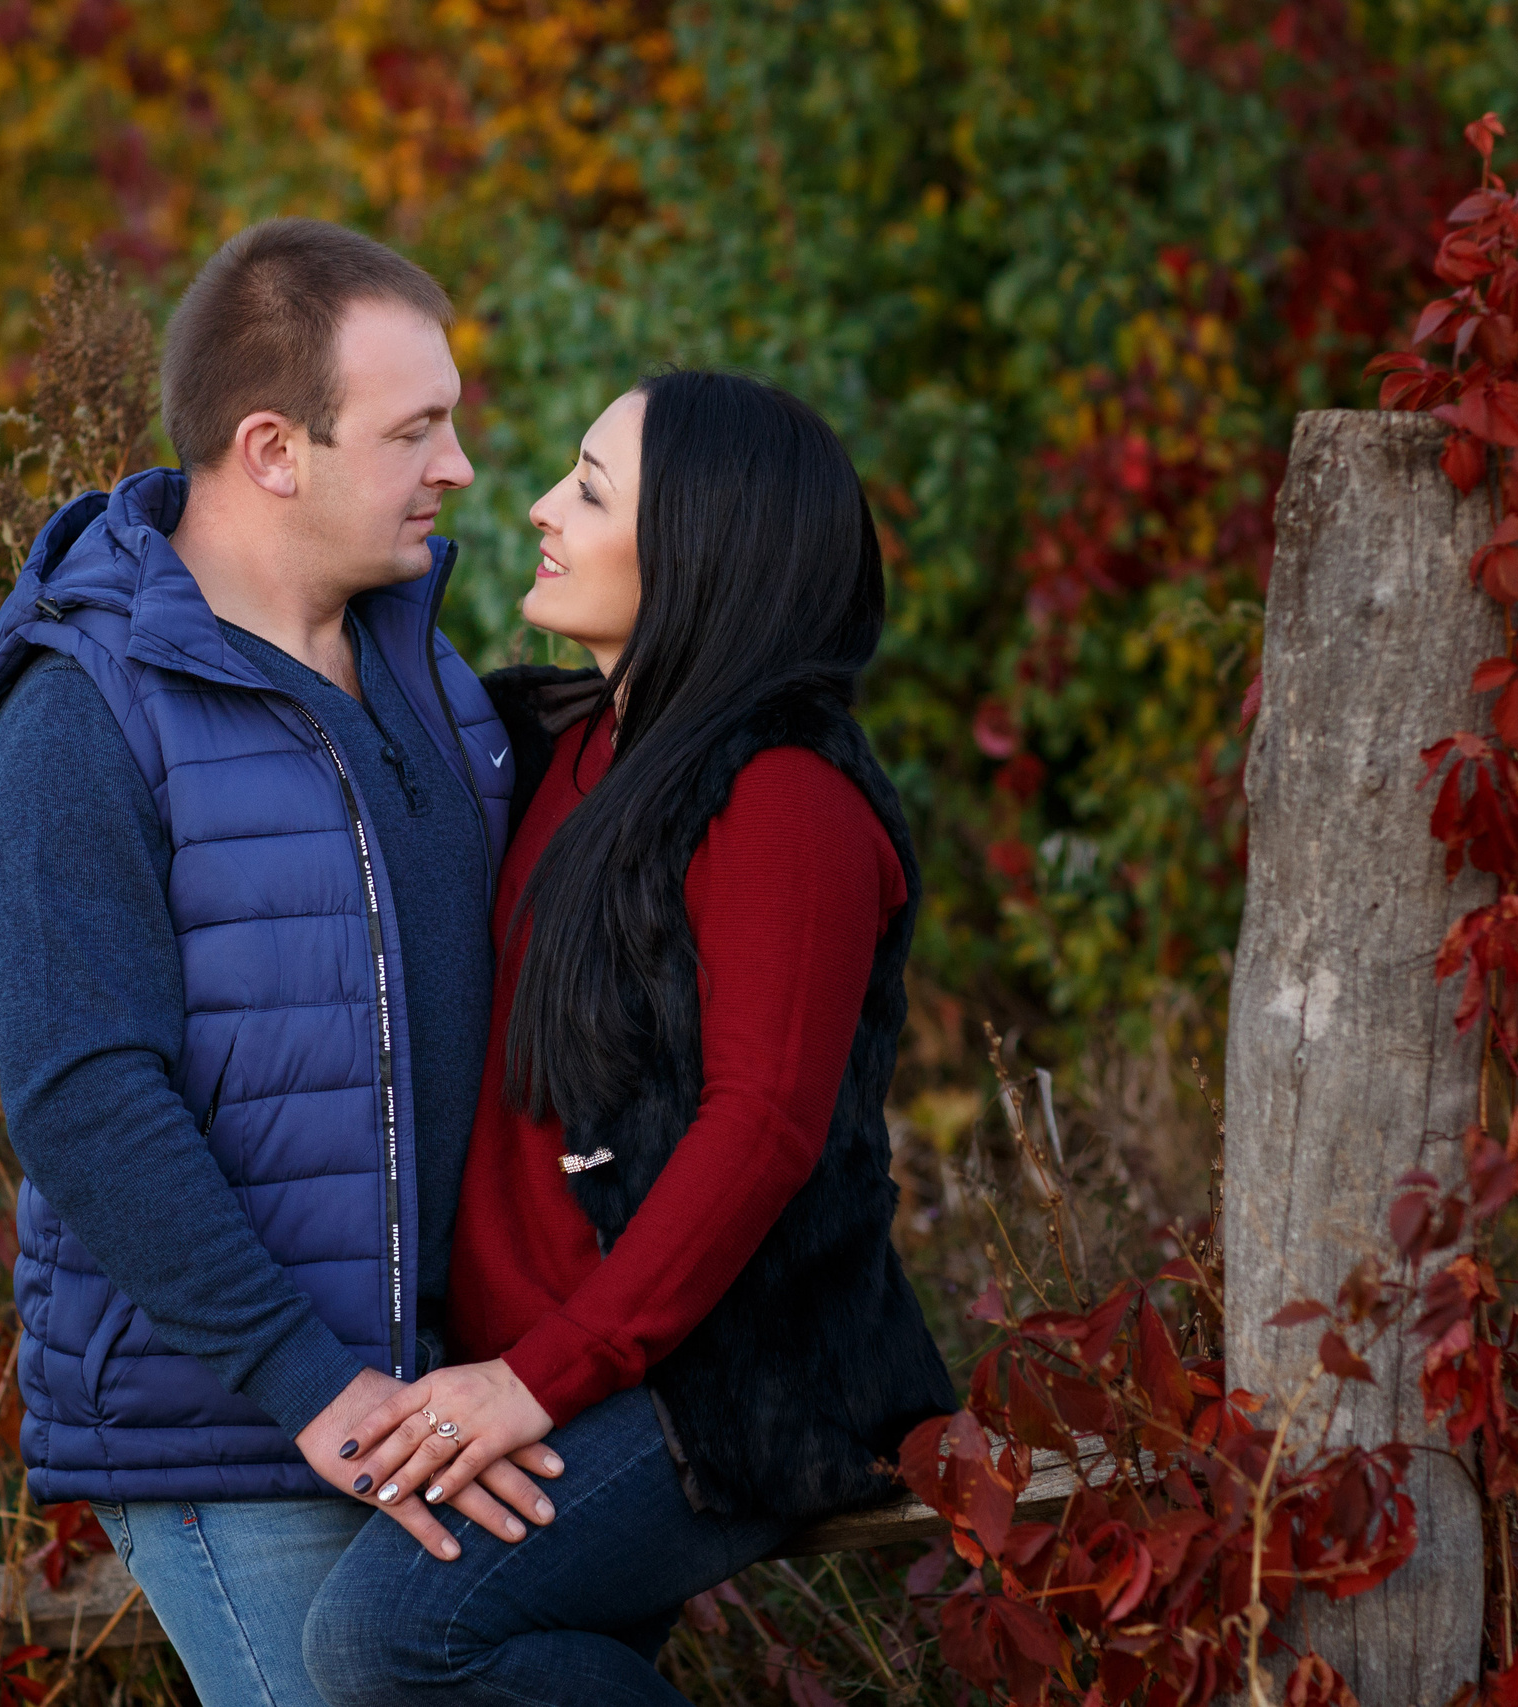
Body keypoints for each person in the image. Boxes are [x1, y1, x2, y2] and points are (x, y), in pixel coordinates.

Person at [0, 218, 563, 1707]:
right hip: (251, 1428)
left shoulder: (423, 670)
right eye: (416, 429)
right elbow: (85, 1096)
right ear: (275, 449)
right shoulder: (86, 710)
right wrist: (309, 1382)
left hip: (448, 1391)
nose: (460, 469)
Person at [298, 369, 958, 1706]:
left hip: (731, 1383)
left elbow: (761, 1128)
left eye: (589, 490)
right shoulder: (560, 746)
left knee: (384, 1639)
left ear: (703, 549)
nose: (538, 508)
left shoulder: (784, 797)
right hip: (568, 1366)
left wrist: (534, 1387)